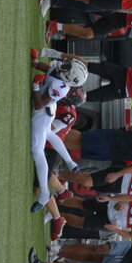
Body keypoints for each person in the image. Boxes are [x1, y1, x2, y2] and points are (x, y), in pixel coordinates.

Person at [29, 48, 88, 213]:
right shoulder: (60, 75)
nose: (65, 64)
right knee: (49, 134)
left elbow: (38, 104)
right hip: (50, 109)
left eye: (69, 66)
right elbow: (41, 67)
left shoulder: (61, 86)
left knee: (37, 151)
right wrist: (35, 60)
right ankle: (70, 162)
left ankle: (44, 193)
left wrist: (35, 87)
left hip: (43, 113)